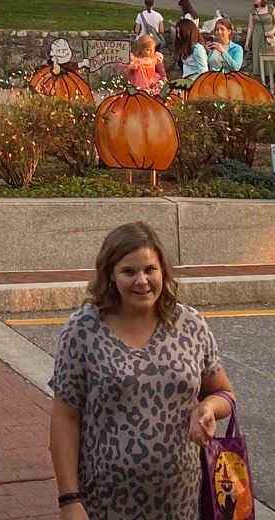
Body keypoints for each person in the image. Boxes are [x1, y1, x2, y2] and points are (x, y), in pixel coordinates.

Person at [48, 220, 236, 520]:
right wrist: (69, 500)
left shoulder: (190, 324)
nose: (142, 280)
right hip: (105, 503)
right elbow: (65, 418)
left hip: (181, 501)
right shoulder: (82, 330)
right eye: (129, 271)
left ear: (163, 270)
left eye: (150, 269)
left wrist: (208, 408)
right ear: (110, 274)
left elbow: (224, 393)